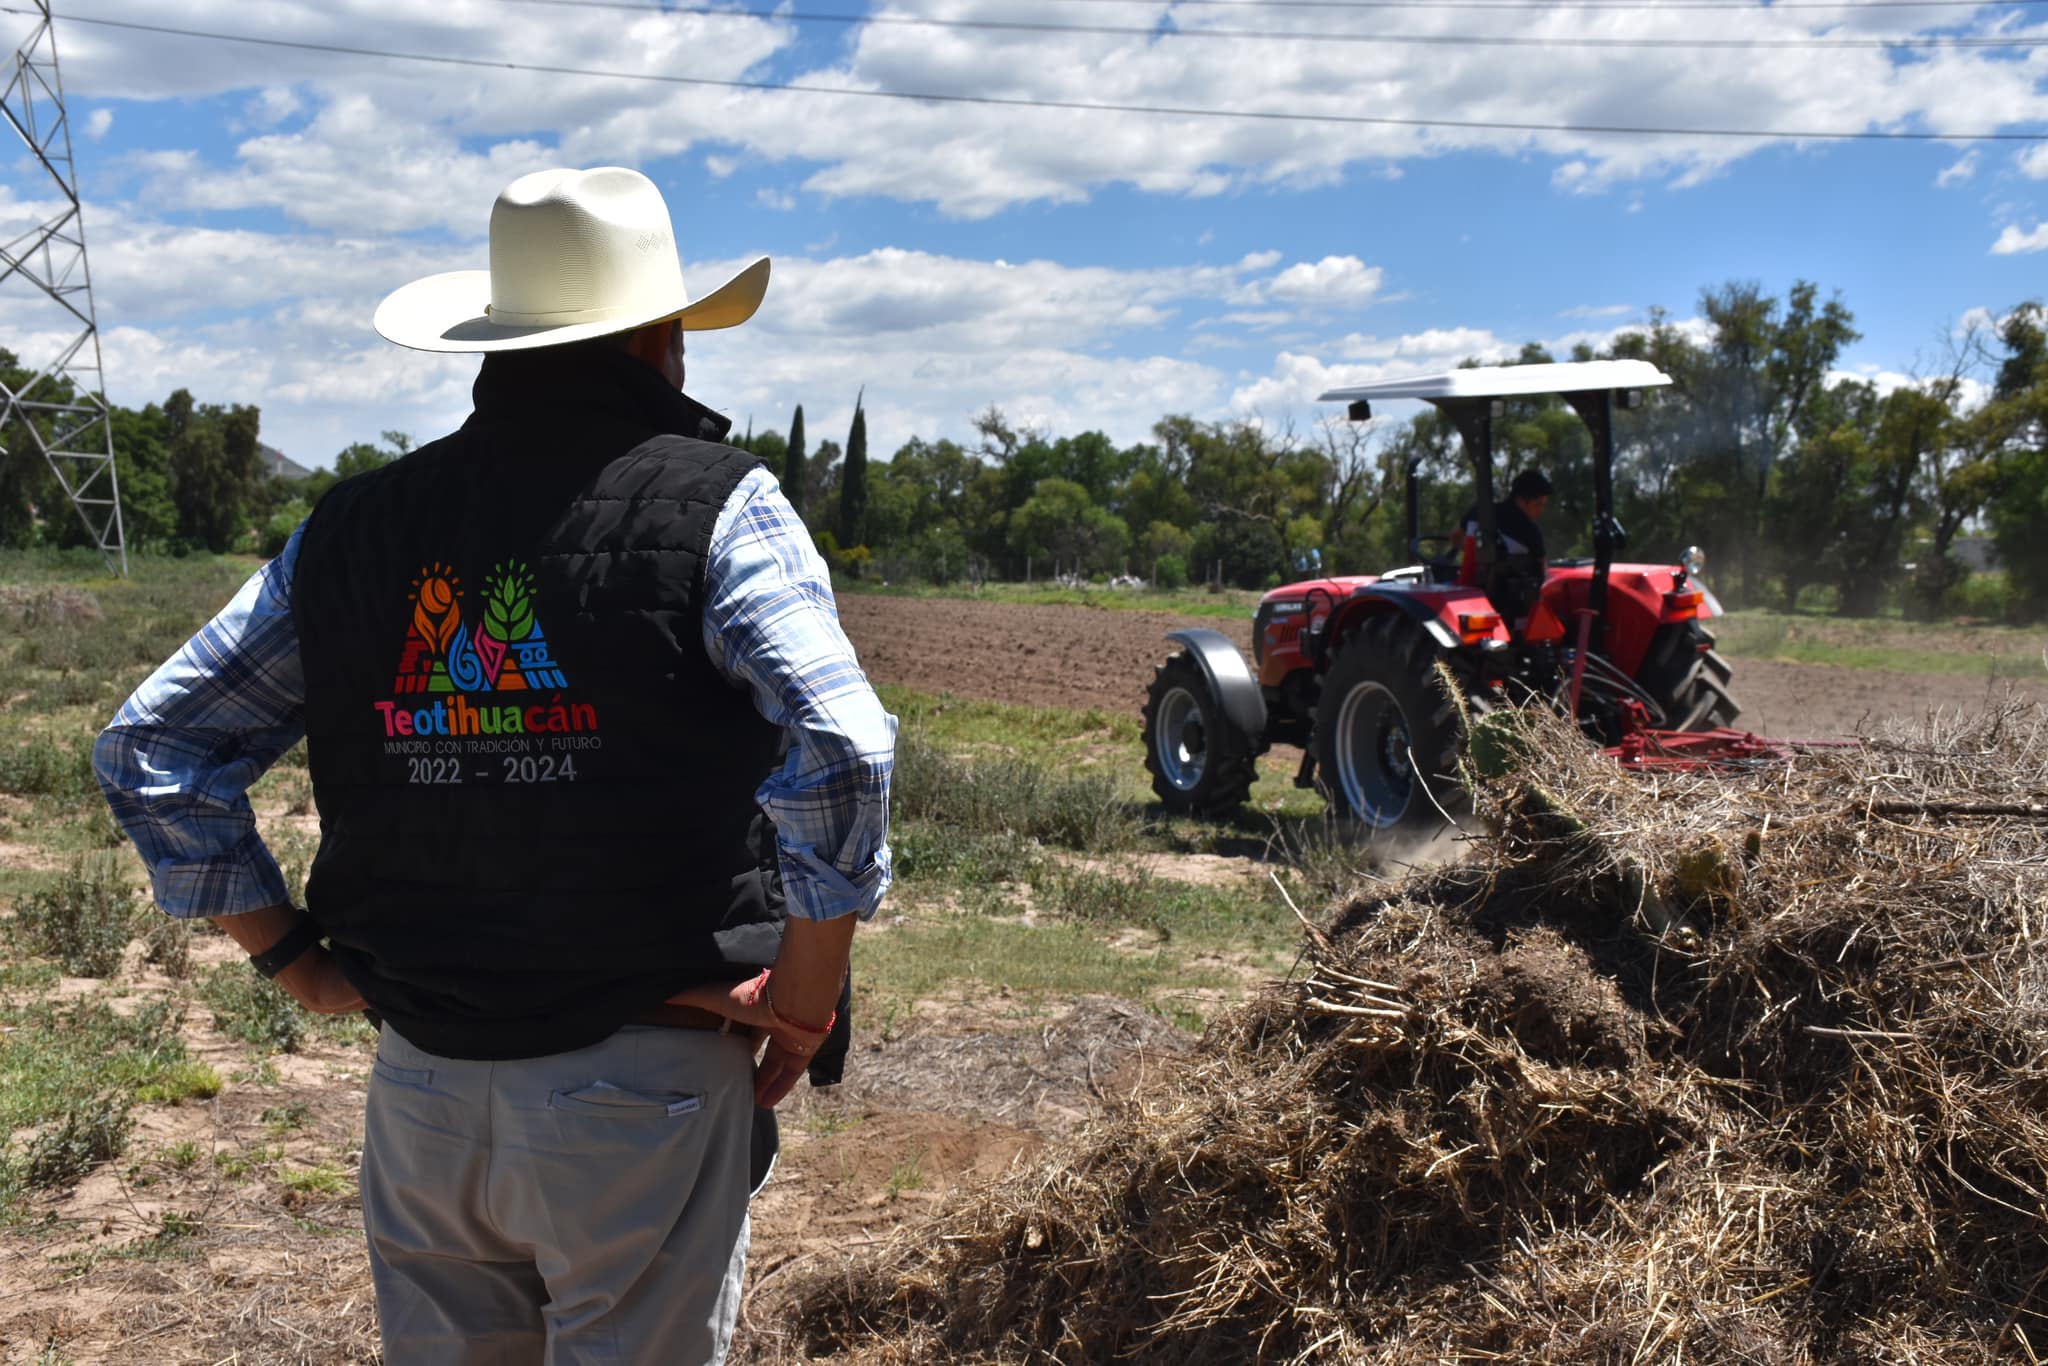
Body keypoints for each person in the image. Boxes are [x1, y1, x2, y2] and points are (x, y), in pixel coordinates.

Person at [93, 166, 896, 1365]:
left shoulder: (356, 525)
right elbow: (842, 743)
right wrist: (805, 990)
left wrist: (294, 958)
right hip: (644, 1091)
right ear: (659, 337)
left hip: (422, 1092)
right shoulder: (720, 505)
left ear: (499, 340)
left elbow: (155, 745)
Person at [1461, 467, 1553, 563]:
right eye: (1538, 504)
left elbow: (1456, 537)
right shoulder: (1531, 532)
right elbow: (1541, 569)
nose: (1541, 510)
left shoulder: (1479, 511)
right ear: (1521, 500)